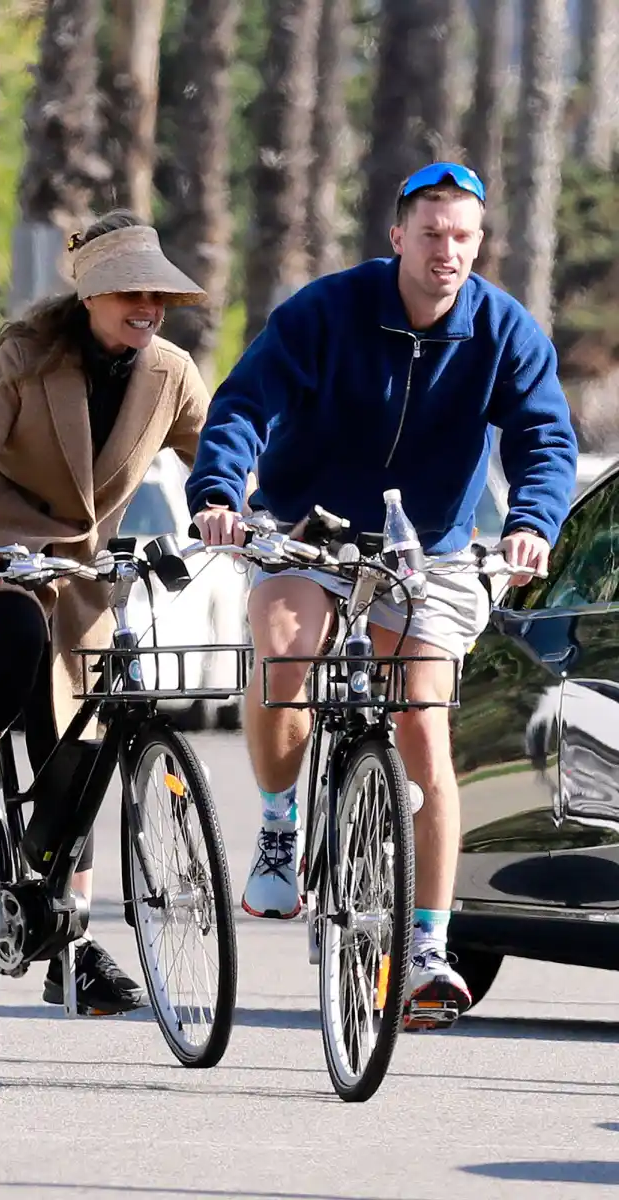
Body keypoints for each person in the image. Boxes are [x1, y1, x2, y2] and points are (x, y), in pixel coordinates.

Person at [186, 162, 578, 1028]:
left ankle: (428, 944)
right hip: (310, 530)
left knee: (425, 731)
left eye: (463, 236)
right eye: (430, 233)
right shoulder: (326, 310)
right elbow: (245, 403)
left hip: (426, 552)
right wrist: (218, 493)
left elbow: (545, 437)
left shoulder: (504, 331)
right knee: (286, 645)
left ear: (480, 244)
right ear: (398, 237)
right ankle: (283, 823)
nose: (447, 250)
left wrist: (532, 526)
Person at [0, 210, 210, 1016]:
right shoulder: (26, 359)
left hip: (80, 570)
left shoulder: (171, 372)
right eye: (129, 292)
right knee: (14, 639)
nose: (147, 306)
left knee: (75, 755)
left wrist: (233, 509)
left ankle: (68, 948)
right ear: (90, 294)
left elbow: (214, 453)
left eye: (158, 293)